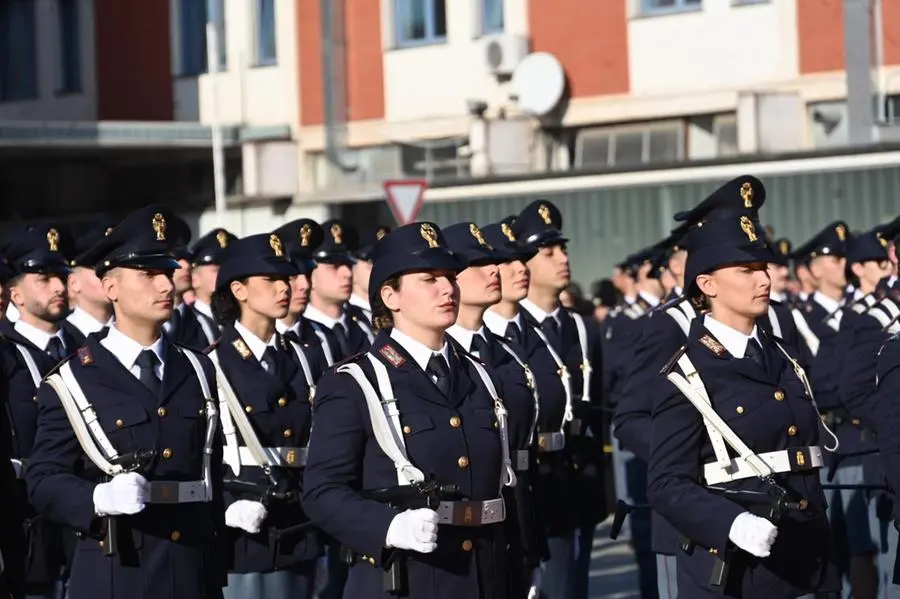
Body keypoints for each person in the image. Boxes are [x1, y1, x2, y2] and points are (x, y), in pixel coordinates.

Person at [302, 221, 514, 599]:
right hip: (407, 579)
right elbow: (322, 491)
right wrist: (387, 526)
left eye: (450, 276)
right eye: (429, 279)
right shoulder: (356, 381)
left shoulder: (480, 375)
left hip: (486, 576)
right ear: (391, 296)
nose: (448, 288)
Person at [25, 205, 227, 599]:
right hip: (118, 571)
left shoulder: (198, 368)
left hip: (191, 571)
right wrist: (97, 498)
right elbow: (44, 480)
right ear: (110, 288)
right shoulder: (73, 380)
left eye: (167, 273)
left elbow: (209, 474)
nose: (167, 286)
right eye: (149, 275)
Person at [648, 212, 840, 598]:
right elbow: (666, 484)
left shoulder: (783, 354)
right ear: (707, 283)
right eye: (746, 270)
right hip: (742, 571)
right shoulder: (689, 373)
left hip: (809, 560)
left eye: (764, 267)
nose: (764, 279)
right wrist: (731, 523)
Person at [614, 175, 767, 599]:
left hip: (765, 509)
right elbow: (630, 418)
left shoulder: (767, 322)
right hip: (697, 511)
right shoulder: (671, 325)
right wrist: (692, 458)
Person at [207, 231, 325, 599]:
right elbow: (198, 456)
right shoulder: (212, 364)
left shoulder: (305, 356)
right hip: (246, 533)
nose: (283, 288)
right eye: (270, 280)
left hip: (303, 525)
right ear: (239, 290)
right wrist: (224, 508)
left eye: (286, 278)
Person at [443, 221, 546, 599]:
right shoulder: (440, 360)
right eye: (478, 264)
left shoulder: (507, 352)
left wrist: (532, 542)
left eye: (494, 262)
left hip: (514, 520)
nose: (494, 271)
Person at [512, 200, 606, 599]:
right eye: (548, 253)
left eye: (563, 249)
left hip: (579, 482)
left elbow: (596, 407)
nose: (562, 259)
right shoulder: (511, 331)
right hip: (535, 483)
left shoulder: (583, 329)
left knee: (575, 587)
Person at [1, 223, 81, 599]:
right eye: (44, 278)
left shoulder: (88, 349)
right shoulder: (6, 354)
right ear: (15, 293)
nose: (59, 287)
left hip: (86, 527)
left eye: (63, 276)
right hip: (29, 531)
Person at [305, 220, 372, 366]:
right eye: (334, 266)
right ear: (311, 274)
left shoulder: (366, 322)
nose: (347, 273)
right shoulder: (301, 333)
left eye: (348, 265)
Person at [176, 228, 238, 351]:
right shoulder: (184, 323)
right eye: (216, 270)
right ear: (195, 279)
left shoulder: (240, 317)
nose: (227, 274)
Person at [272, 219, 326, 346]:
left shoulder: (324, 337)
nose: (305, 285)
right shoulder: (260, 344)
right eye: (292, 276)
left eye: (308, 274)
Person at [64, 221, 116, 343]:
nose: (112, 277)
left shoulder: (134, 331)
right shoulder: (62, 338)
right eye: (100, 270)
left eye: (116, 269)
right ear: (74, 283)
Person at [349, 226, 391, 325]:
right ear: (352, 266)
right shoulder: (345, 315)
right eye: (372, 262)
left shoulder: (395, 311)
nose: (381, 268)